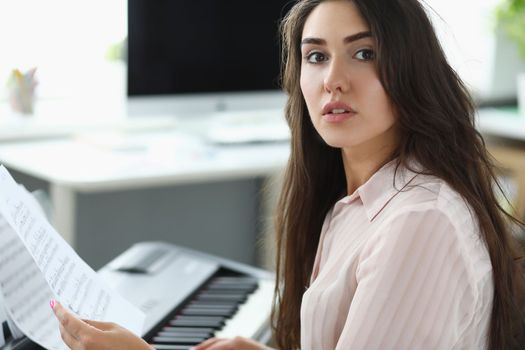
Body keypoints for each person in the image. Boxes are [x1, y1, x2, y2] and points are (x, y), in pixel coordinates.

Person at [51, 0, 525, 349]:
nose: (332, 79)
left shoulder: (419, 222)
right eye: (316, 56)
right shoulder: (358, 202)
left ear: (411, 69)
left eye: (364, 54)